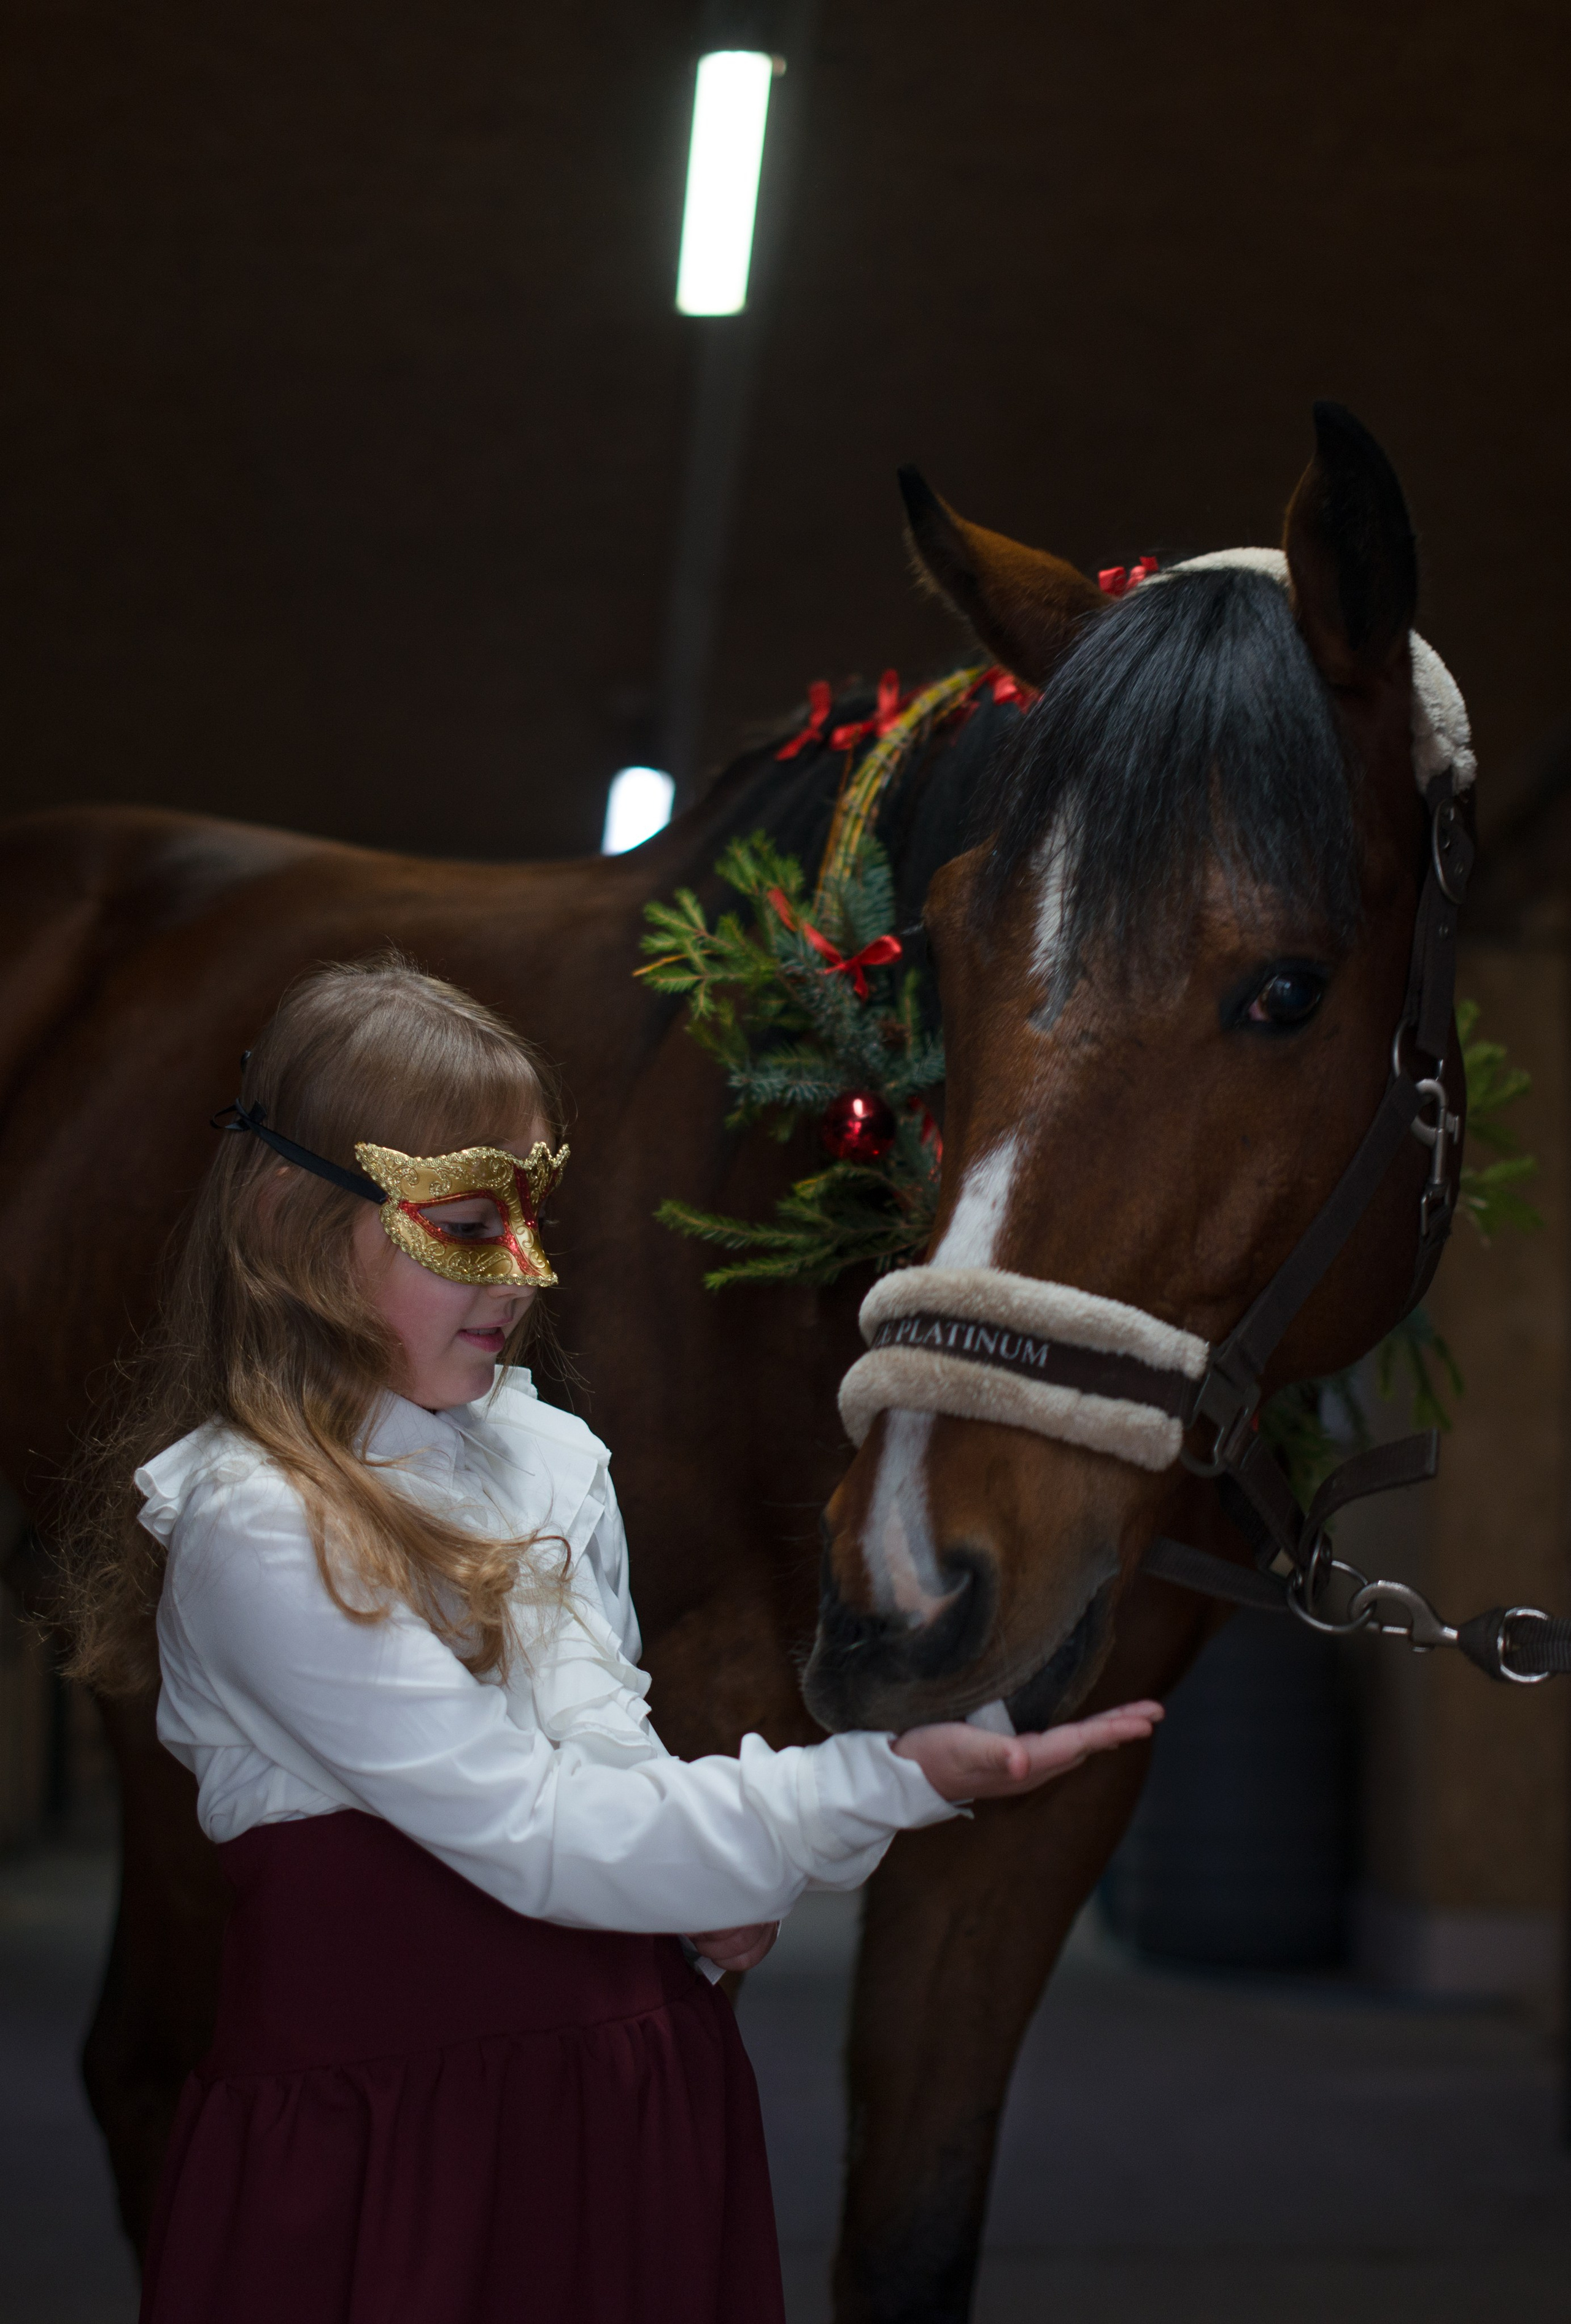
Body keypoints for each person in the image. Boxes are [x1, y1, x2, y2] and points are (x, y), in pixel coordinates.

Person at [63, 956, 1162, 2324]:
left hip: (620, 2086)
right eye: (467, 1220)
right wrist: (887, 1779)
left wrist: (693, 1890)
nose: (525, 1270)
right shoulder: (258, 1525)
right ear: (292, 1217)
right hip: (403, 2149)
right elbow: (529, 1824)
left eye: (537, 1210)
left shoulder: (546, 1456)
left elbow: (599, 1744)